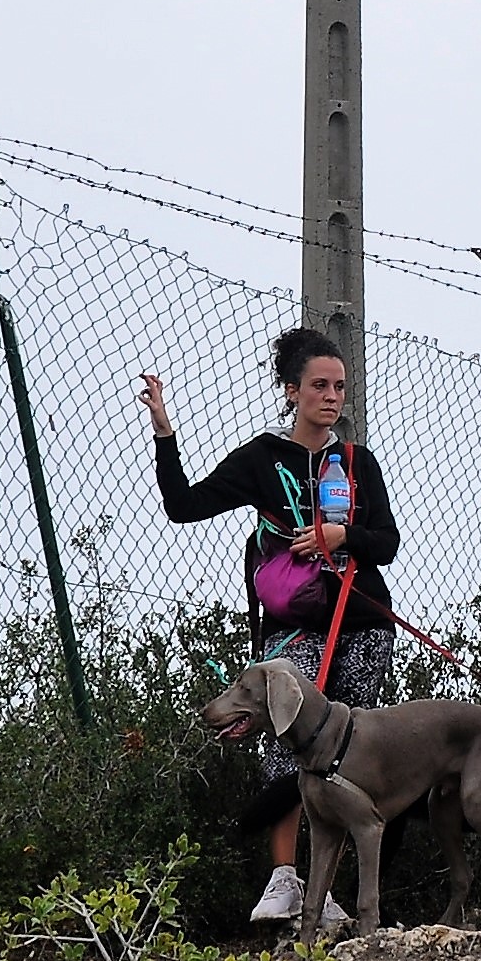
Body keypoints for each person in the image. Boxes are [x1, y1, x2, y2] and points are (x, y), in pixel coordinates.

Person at [147, 326, 403, 925]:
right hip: (293, 624)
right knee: (289, 738)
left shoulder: (357, 462)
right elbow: (183, 506)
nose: (332, 397)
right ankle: (284, 877)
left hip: (362, 619)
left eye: (339, 386)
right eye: (319, 386)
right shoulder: (262, 457)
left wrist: (341, 534)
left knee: (344, 753)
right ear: (291, 391)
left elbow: (386, 542)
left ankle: (327, 891)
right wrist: (164, 434)